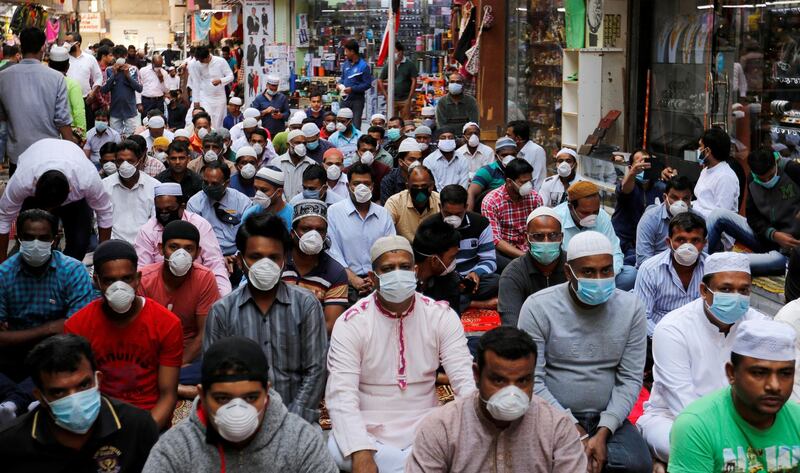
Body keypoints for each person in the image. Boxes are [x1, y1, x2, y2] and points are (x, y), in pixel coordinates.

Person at [326, 236, 476, 473]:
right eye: (388, 269)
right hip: (369, 432)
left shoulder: (440, 316)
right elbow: (341, 393)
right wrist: (360, 451)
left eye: (404, 267)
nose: (397, 274)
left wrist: (467, 432)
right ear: (373, 277)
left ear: (415, 271)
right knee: (338, 447)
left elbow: (465, 381)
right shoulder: (352, 322)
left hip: (427, 428)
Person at [518, 231, 651, 473]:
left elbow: (630, 378)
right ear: (569, 273)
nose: (599, 279)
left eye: (606, 270)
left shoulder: (631, 308)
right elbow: (530, 381)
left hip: (608, 420)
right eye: (589, 272)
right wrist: (575, 432)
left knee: (637, 464)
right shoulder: (538, 307)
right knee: (538, 461)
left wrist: (603, 431)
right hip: (550, 417)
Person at [637, 252, 769, 465]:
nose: (736, 296)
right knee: (699, 448)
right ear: (703, 291)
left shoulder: (760, 327)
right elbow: (684, 404)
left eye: (743, 290)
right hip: (675, 419)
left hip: (745, 423)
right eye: (726, 289)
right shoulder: (673, 328)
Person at [143, 337, 338, 472]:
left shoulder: (302, 443)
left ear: (266, 392)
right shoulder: (174, 449)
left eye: (251, 398)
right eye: (222, 399)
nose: (237, 411)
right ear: (201, 394)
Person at [406, 327, 588, 472]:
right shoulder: (442, 428)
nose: (512, 393)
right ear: (476, 375)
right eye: (499, 380)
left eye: (523, 380)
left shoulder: (557, 428)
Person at [203, 213, 327, 424]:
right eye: (256, 257)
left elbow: (316, 370)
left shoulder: (306, 305)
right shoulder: (222, 311)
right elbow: (214, 376)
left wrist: (291, 424)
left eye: (273, 257)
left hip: (297, 422)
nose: (265, 264)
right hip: (239, 421)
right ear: (241, 260)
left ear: (284, 259)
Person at [64, 240, 182, 430]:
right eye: (110, 280)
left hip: (149, 421)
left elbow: (168, 394)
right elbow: (78, 393)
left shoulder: (166, 323)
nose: (119, 288)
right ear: (96, 281)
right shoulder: (77, 326)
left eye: (126, 279)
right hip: (99, 420)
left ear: (138, 278)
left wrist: (142, 435)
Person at [0, 334, 159, 472]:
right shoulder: (10, 443)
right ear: (40, 397)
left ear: (98, 380)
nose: (75, 400)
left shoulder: (137, 427)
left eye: (83, 385)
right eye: (59, 392)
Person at [668, 320, 799, 472]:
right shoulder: (696, 426)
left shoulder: (797, 419)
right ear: (731, 373)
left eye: (785, 374)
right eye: (759, 373)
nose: (774, 386)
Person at [0, 210, 94, 382]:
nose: (35, 244)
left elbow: (78, 330)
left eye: (43, 238)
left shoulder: (72, 271)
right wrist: (50, 328)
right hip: (15, 356)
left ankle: (16, 400)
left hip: (60, 351)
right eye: (28, 238)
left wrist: (15, 336)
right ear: (18, 238)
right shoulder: (4, 274)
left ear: (55, 239)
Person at [137, 220, 220, 393]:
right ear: (161, 249)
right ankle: (179, 388)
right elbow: (139, 332)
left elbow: (204, 333)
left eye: (188, 249)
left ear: (197, 253)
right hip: (152, 356)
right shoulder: (144, 279)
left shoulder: (204, 278)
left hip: (189, 359)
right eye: (173, 247)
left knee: (220, 368)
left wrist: (175, 366)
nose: (180, 254)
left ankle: (163, 383)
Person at [0, 139, 112, 263]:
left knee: (80, 244)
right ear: (35, 184)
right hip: (33, 192)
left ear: (70, 189)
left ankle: (66, 273)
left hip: (75, 200)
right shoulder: (22, 181)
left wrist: (104, 260)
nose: (50, 211)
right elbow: (3, 219)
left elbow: (105, 213)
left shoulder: (87, 179)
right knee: (32, 241)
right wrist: (2, 265)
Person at [707, 148, 799, 276]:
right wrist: (773, 234)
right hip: (765, 237)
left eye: (770, 176)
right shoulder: (752, 179)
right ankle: (702, 259)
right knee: (718, 215)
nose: (767, 181)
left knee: (733, 263)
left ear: (776, 163)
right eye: (762, 179)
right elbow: (752, 216)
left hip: (788, 251)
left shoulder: (792, 170)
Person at [135, 182, 231, 296]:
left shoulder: (200, 225)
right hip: (161, 290)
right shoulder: (147, 230)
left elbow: (214, 263)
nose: (164, 213)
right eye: (160, 210)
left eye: (170, 208)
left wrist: (223, 298)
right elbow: (143, 271)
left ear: (182, 206)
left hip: (197, 287)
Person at [0, 27, 73, 170]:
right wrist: (72, 148)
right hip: (48, 154)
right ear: (43, 47)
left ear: (21, 47)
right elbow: (62, 120)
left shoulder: (3, 77)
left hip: (18, 155)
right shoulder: (56, 78)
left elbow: (2, 118)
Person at [327, 163, 396, 303]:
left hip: (380, 282)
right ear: (348, 186)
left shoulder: (383, 214)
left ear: (372, 186)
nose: (361, 187)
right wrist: (353, 279)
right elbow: (333, 252)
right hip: (345, 283)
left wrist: (375, 279)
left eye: (366, 183)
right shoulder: (334, 212)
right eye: (356, 183)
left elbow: (391, 250)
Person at [553, 180, 638, 291]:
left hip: (602, 273)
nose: (592, 217)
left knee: (630, 275)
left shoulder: (602, 217)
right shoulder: (556, 219)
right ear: (570, 207)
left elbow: (615, 252)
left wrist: (606, 276)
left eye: (595, 212)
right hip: (571, 277)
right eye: (585, 213)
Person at [634, 212, 708, 336]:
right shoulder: (650, 270)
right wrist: (668, 340)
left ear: (704, 244)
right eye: (681, 240)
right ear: (669, 242)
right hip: (659, 336)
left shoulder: (711, 269)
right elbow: (642, 318)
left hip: (699, 337)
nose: (688, 247)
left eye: (695, 241)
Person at [284, 200, 349, 335]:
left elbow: (330, 326)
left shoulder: (335, 272)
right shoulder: (279, 262)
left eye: (320, 230)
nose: (313, 235)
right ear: (292, 233)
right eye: (306, 229)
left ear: (326, 234)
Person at [498, 206, 567, 327]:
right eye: (538, 236)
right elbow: (511, 323)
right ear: (527, 238)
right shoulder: (513, 273)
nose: (546, 242)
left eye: (553, 235)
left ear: (561, 238)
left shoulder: (573, 266)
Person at [481, 158, 542, 272]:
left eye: (530, 181)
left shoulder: (535, 198)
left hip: (531, 249)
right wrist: (525, 257)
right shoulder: (491, 202)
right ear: (509, 182)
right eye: (523, 182)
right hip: (505, 252)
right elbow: (496, 240)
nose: (528, 185)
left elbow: (540, 230)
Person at [187, 160, 252, 260]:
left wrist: (236, 257)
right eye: (205, 182)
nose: (209, 187)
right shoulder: (195, 203)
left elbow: (248, 236)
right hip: (207, 257)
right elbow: (194, 238)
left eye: (214, 184)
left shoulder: (242, 202)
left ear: (226, 183)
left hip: (237, 256)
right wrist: (217, 259)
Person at [612, 150, 667, 266]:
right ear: (631, 167)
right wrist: (632, 173)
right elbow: (625, 189)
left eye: (647, 162)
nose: (643, 166)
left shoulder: (659, 187)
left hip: (649, 244)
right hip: (625, 244)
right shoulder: (627, 184)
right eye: (640, 163)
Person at [103, 139, 158, 243]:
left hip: (146, 245)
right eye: (120, 161)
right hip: (114, 244)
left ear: (140, 161)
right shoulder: (105, 186)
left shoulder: (154, 187)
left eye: (130, 161)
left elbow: (155, 223)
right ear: (115, 161)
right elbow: (101, 221)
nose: (125, 165)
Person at [635, 176, 694, 267]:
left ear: (691, 200)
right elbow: (643, 260)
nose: (680, 203)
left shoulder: (698, 221)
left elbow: (701, 254)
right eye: (674, 198)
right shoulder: (650, 218)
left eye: (685, 199)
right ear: (664, 197)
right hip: (655, 270)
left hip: (688, 270)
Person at [412, 218, 462, 314]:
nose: (454, 262)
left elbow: (453, 320)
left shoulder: (450, 281)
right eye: (452, 257)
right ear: (434, 260)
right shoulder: (403, 283)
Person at [385, 165, 440, 242]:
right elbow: (386, 234)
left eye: (424, 186)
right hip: (405, 251)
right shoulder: (395, 203)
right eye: (415, 186)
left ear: (431, 186)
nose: (419, 190)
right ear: (407, 186)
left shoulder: (440, 202)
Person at [187, 46, 233, 130]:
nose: (200, 62)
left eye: (202, 60)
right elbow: (196, 82)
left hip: (219, 97)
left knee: (219, 121)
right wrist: (196, 100)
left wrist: (220, 80)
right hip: (204, 96)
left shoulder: (220, 61)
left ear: (208, 56)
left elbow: (231, 76)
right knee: (207, 118)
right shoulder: (196, 64)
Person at [467, 137, 518, 212]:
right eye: (504, 155)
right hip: (493, 210)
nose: (509, 158)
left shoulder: (521, 170)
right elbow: (471, 192)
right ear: (496, 156)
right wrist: (470, 217)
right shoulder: (487, 171)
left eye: (512, 155)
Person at [101, 45, 142, 136]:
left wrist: (128, 76)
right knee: (115, 137)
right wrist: (114, 75)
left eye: (122, 57)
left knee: (131, 137)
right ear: (114, 57)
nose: (119, 59)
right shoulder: (109, 70)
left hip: (130, 111)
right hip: (115, 111)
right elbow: (104, 89)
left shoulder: (133, 69)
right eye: (117, 57)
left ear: (125, 56)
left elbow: (139, 88)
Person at [47, 45, 86, 133]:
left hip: (47, 131)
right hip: (69, 133)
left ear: (49, 65)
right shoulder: (73, 84)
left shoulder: (43, 82)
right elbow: (79, 111)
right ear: (68, 66)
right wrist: (82, 135)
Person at [271, 129, 317, 200]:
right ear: (288, 145)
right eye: (297, 143)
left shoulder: (312, 164)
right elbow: (272, 187)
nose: (301, 146)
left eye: (304, 143)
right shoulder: (276, 163)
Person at [344, 135, 391, 202]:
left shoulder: (384, 170)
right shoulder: (347, 171)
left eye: (371, 150)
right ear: (357, 152)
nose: (367, 153)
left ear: (375, 152)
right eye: (364, 150)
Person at [378, 42, 418, 119]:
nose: (393, 54)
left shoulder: (409, 65)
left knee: (405, 121)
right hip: (392, 99)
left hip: (405, 99)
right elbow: (380, 80)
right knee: (391, 120)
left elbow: (414, 81)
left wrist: (410, 97)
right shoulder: (389, 64)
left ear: (401, 52)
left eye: (395, 52)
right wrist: (386, 95)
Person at [338, 39, 372, 127]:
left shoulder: (363, 66)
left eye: (346, 51)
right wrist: (339, 84)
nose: (345, 54)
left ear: (352, 51)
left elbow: (368, 84)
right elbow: (342, 78)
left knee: (355, 125)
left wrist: (352, 89)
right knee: (342, 124)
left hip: (357, 101)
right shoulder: (346, 64)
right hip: (344, 100)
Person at [380, 137, 423, 204]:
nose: (417, 163)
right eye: (411, 159)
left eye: (419, 159)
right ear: (400, 162)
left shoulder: (425, 177)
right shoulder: (389, 181)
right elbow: (386, 208)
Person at [506, 120, 546, 191]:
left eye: (508, 135)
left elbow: (537, 181)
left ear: (518, 139)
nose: (505, 137)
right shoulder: (512, 150)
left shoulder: (536, 150)